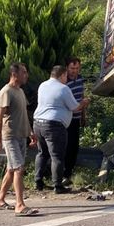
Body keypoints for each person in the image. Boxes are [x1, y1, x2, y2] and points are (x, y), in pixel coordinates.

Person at [0, 62, 39, 217]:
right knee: (19, 168)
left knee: (11, 170)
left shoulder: (19, 91)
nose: (26, 75)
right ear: (15, 74)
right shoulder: (6, 92)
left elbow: (23, 114)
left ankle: (0, 199)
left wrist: (31, 132)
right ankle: (19, 204)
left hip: (21, 135)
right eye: (24, 72)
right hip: (10, 137)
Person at [34, 65, 89, 194]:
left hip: (38, 123)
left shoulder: (43, 85)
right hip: (54, 125)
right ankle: (58, 185)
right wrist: (84, 103)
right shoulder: (64, 89)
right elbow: (74, 107)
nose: (67, 78)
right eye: (66, 76)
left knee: (42, 153)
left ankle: (38, 182)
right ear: (62, 75)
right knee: (57, 156)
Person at [62, 57, 86, 187]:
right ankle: (62, 175)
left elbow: (81, 95)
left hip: (76, 118)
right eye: (72, 68)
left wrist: (83, 116)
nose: (74, 71)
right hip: (66, 120)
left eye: (77, 68)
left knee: (74, 147)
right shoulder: (64, 82)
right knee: (65, 147)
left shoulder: (80, 79)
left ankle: (68, 174)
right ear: (67, 68)